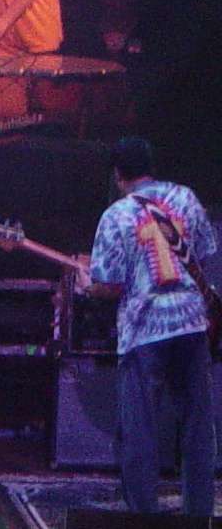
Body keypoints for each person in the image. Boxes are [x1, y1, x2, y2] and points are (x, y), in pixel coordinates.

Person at [78, 137, 215, 517]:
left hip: (144, 332)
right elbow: (205, 253)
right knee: (197, 430)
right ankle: (199, 516)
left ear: (117, 174)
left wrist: (87, 284)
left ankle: (143, 517)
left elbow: (110, 286)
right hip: (192, 325)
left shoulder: (116, 215)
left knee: (139, 432)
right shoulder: (185, 198)